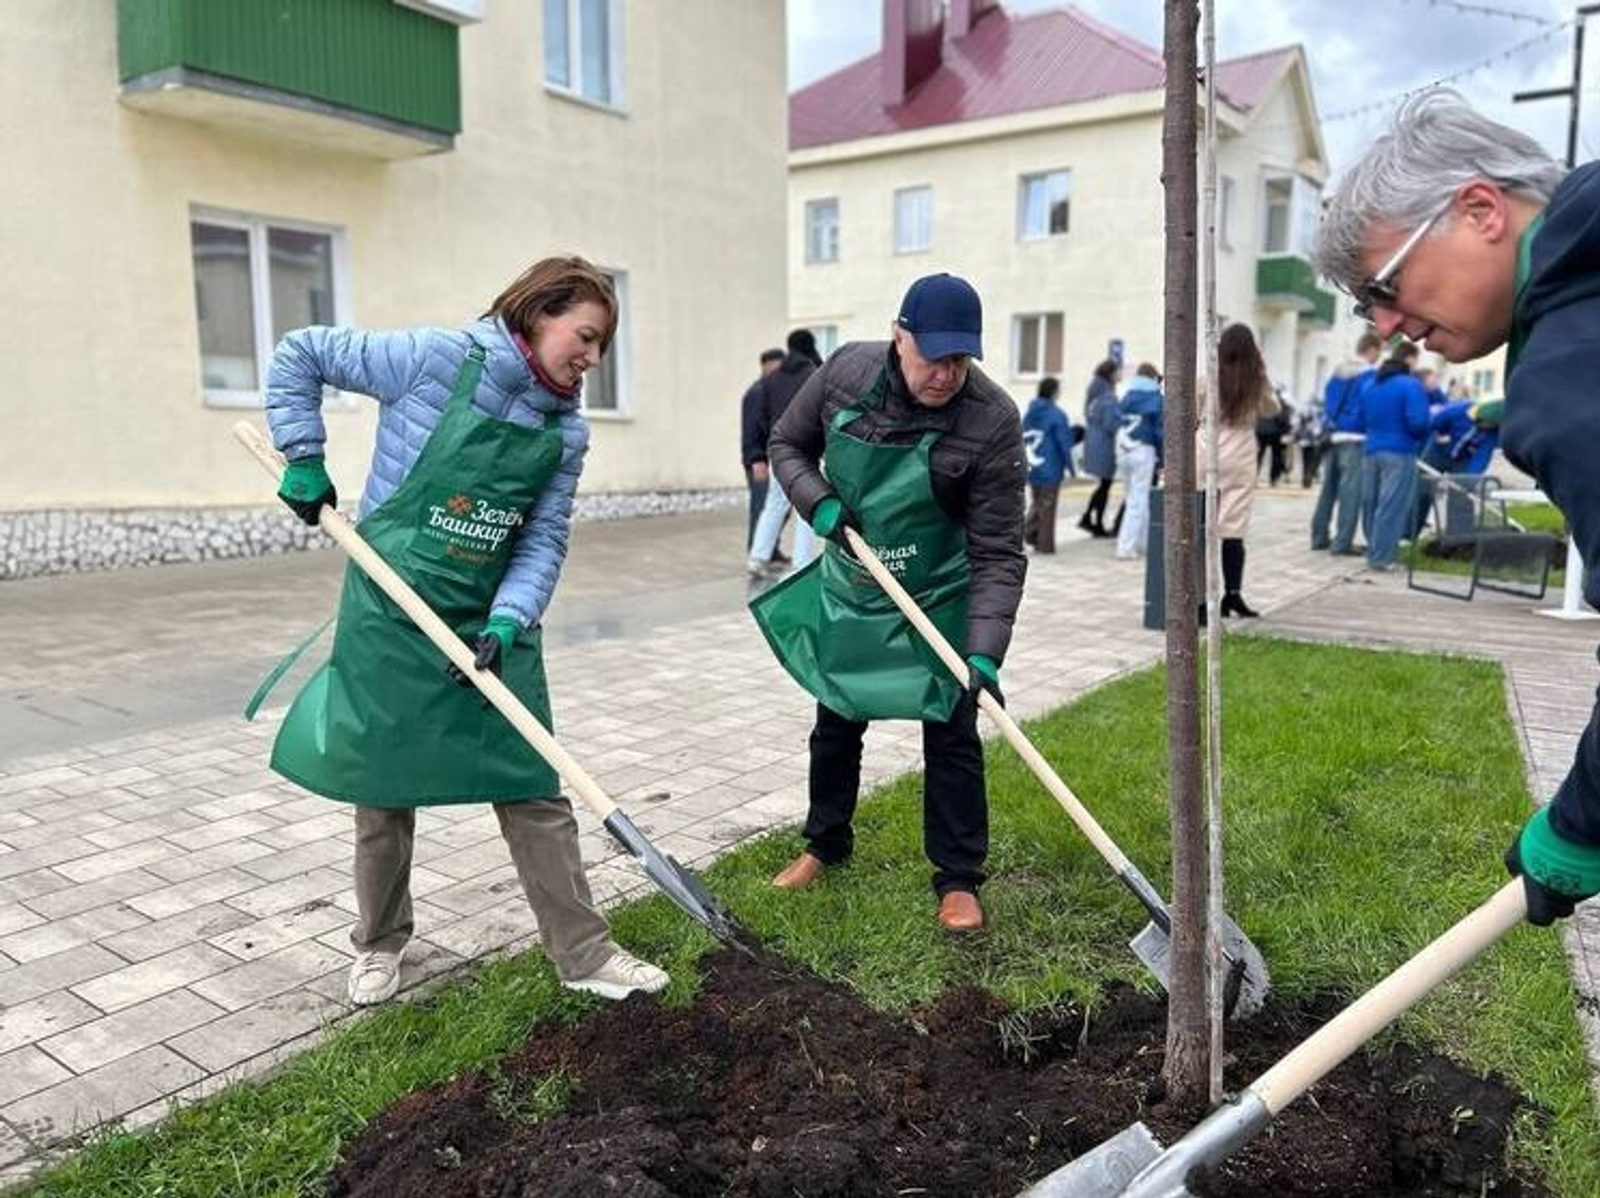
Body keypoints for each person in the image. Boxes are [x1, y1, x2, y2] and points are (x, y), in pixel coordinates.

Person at [264, 255, 668, 1007]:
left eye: (602, 346)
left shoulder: (565, 433)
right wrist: (304, 457)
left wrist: (511, 619)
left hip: (490, 624)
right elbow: (300, 353)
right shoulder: (435, 359)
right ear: (537, 312)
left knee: (531, 785)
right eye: (584, 336)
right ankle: (380, 945)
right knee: (381, 790)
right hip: (391, 611)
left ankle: (585, 954)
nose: (592, 358)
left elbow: (542, 539)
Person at [1314, 87, 1600, 927]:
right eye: (1371, 310)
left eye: (1388, 286)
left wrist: (1581, 824)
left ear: (1479, 209)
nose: (1395, 326)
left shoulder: (1565, 383)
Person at [750, 272, 1026, 932]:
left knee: (953, 725)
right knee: (836, 715)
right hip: (857, 581)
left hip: (939, 590)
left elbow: (997, 551)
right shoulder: (846, 374)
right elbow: (786, 444)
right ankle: (825, 843)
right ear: (899, 336)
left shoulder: (991, 419)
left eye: (961, 359)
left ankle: (958, 878)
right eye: (934, 356)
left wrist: (983, 657)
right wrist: (815, 502)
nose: (947, 373)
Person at [1200, 324, 1280, 617]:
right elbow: (1272, 409)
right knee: (1232, 532)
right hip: (1241, 458)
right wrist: (1262, 372)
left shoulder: (1208, 376)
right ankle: (1232, 595)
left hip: (1207, 455)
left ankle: (1199, 599)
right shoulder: (1254, 381)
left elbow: (1192, 408)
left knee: (1201, 528)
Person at [746, 329, 824, 576]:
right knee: (807, 507)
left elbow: (759, 418)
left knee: (774, 504)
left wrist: (761, 452)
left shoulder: (771, 380)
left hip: (779, 451)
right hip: (807, 451)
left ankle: (757, 558)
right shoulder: (815, 375)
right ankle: (802, 564)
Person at [1358, 340, 1428, 571]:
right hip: (1400, 450)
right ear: (1408, 362)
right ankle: (1383, 558)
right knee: (1392, 505)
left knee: (1372, 503)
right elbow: (1419, 421)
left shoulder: (1370, 385)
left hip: (1371, 450)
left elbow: (1360, 418)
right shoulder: (1410, 385)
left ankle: (1373, 551)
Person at [1310, 331, 1382, 554]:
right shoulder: (1369, 375)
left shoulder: (1338, 372)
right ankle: (1342, 543)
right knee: (1351, 493)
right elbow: (1370, 406)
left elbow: (1328, 404)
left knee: (1328, 490)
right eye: (1378, 353)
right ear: (1371, 350)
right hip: (1356, 438)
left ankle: (1319, 537)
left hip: (1333, 436)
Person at [1114, 363, 1164, 561]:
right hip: (1143, 450)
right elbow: (1160, 431)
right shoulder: (1156, 399)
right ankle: (1125, 547)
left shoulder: (1126, 396)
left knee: (1133, 498)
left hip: (1122, 449)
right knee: (1139, 499)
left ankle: (1143, 542)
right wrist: (1163, 458)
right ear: (1153, 378)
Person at [1022, 375, 1076, 553]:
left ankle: (1030, 535)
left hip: (1032, 465)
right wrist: (1072, 468)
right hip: (1050, 468)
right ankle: (1043, 544)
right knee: (1047, 507)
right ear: (1053, 392)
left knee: (1038, 503)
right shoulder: (1057, 415)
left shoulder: (1029, 413)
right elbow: (1064, 445)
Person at [740, 347, 786, 551]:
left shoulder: (770, 390)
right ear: (765, 366)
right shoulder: (757, 392)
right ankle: (757, 551)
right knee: (761, 507)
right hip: (759, 462)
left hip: (770, 460)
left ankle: (770, 550)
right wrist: (757, 459)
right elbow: (750, 429)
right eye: (776, 367)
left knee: (775, 508)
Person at [1078, 359, 1122, 537]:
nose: (1120, 375)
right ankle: (1095, 523)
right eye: (1118, 371)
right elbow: (1111, 423)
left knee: (1104, 484)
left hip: (1094, 440)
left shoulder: (1095, 388)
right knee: (1105, 483)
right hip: (1104, 443)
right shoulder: (1107, 394)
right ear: (1110, 373)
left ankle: (1089, 518)